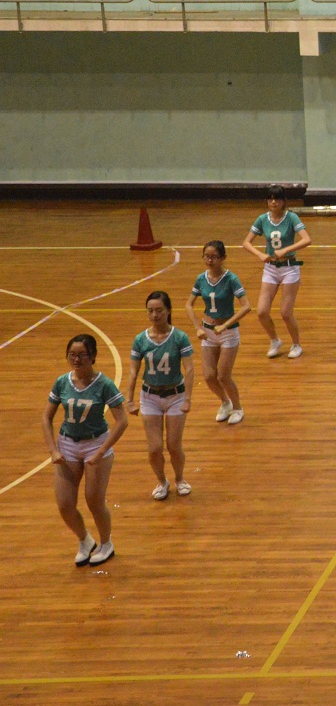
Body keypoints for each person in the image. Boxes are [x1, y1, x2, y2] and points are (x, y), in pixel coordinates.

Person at [44, 334, 129, 566]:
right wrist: (53, 450)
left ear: (93, 356)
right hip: (67, 444)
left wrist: (101, 452)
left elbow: (122, 421)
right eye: (72, 354)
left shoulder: (104, 384)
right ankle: (85, 540)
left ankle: (106, 544)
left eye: (82, 354)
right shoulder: (62, 382)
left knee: (94, 501)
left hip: (95, 444)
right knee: (64, 504)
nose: (76, 359)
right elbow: (46, 418)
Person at [125, 291, 196, 500]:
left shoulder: (180, 337)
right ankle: (161, 481)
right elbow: (133, 371)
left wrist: (188, 398)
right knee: (154, 448)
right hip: (150, 396)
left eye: (159, 310)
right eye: (150, 311)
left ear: (168, 311)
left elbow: (189, 369)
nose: (154, 315)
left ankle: (180, 479)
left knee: (174, 445)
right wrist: (129, 400)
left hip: (175, 395)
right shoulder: (141, 340)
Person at [242, 185, 312, 359]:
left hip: (289, 268)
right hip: (271, 269)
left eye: (277, 199)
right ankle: (274, 340)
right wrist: (260, 254)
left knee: (286, 313)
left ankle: (296, 344)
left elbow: (306, 239)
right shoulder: (262, 219)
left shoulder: (291, 218)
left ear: (283, 201)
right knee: (262, 311)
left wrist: (286, 250)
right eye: (270, 199)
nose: (273, 202)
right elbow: (246, 242)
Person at [189, 240, 252, 425]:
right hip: (208, 332)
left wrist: (226, 325)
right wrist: (197, 327)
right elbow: (188, 305)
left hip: (228, 333)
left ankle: (238, 408)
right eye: (207, 256)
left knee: (223, 375)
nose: (210, 260)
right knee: (209, 376)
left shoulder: (231, 279)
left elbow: (246, 306)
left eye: (214, 257)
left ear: (223, 258)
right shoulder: (201, 279)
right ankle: (225, 402)